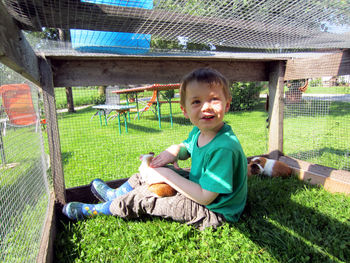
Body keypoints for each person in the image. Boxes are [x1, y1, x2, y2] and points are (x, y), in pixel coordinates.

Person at [63, 67, 248, 230]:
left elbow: (205, 197)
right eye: (196, 102)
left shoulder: (225, 148)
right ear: (185, 110)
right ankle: (115, 194)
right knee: (153, 170)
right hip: (200, 187)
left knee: (147, 197)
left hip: (213, 210)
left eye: (214, 99)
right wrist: (175, 150)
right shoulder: (199, 131)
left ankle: (101, 209)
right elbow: (187, 148)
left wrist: (164, 176)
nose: (206, 107)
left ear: (227, 104)